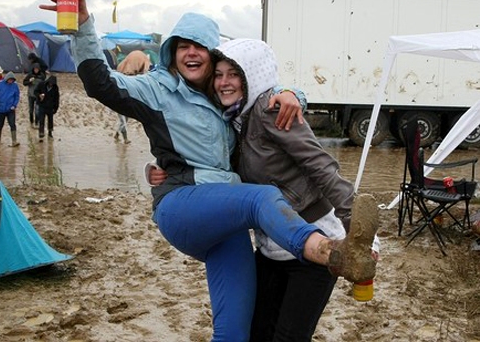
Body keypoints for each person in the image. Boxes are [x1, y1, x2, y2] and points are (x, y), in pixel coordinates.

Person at [40, 0, 377, 342]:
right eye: (182, 46)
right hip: (185, 205)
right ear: (171, 52)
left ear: (214, 56)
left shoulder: (227, 106)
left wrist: (292, 92)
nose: (191, 53)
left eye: (200, 47)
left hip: (228, 223)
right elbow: (101, 84)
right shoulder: (157, 88)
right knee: (260, 197)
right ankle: (329, 251)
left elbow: (273, 126)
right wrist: (85, 27)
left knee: (237, 331)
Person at [150, 38, 377, 341]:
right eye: (218, 75)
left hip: (314, 239)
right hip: (269, 246)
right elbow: (204, 164)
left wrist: (359, 231)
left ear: (251, 77)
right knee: (257, 332)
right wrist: (159, 170)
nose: (223, 83)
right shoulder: (231, 120)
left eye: (234, 74)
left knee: (288, 337)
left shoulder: (270, 109)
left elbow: (319, 164)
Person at [113, 50, 151, 144]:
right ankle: (125, 138)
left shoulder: (124, 63)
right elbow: (146, 74)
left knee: (123, 116)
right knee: (124, 117)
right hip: (125, 93)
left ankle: (117, 134)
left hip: (117, 89)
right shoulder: (144, 60)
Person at [0, 72, 20, 147]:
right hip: (1, 109)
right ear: (7, 79)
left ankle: (14, 141)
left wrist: (14, 105)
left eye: (12, 80)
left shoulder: (15, 86)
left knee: (12, 124)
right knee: (0, 125)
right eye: (10, 80)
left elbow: (17, 96)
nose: (11, 81)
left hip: (11, 109)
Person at [34, 74, 60, 142]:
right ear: (48, 81)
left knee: (50, 120)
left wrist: (56, 108)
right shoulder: (41, 84)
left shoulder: (55, 88)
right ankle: (41, 134)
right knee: (41, 120)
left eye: (52, 83)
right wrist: (39, 96)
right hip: (42, 105)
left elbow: (57, 98)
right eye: (50, 83)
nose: (51, 84)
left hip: (50, 107)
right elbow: (35, 91)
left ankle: (50, 133)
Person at [22, 62, 47, 126]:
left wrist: (43, 94)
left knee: (37, 110)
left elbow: (44, 86)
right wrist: (29, 81)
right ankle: (31, 121)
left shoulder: (42, 76)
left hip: (38, 96)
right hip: (30, 95)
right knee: (31, 110)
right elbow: (24, 83)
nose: (36, 70)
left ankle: (36, 122)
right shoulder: (30, 75)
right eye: (35, 69)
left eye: (37, 69)